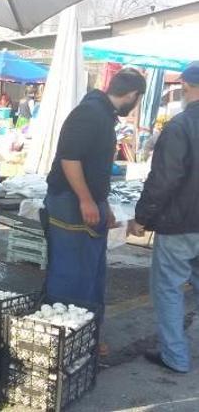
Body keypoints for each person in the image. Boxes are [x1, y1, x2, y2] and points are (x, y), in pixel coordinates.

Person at [43, 68, 145, 355]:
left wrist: (103, 204)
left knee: (91, 270)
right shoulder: (89, 113)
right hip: (69, 201)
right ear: (133, 96)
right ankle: (61, 338)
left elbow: (93, 167)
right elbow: (70, 159)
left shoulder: (103, 114)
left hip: (87, 201)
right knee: (71, 272)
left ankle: (86, 333)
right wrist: (87, 200)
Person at [129, 61, 199, 374]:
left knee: (168, 289)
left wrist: (141, 218)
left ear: (186, 86)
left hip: (180, 224)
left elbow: (164, 180)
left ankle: (176, 356)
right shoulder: (180, 125)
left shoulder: (181, 125)